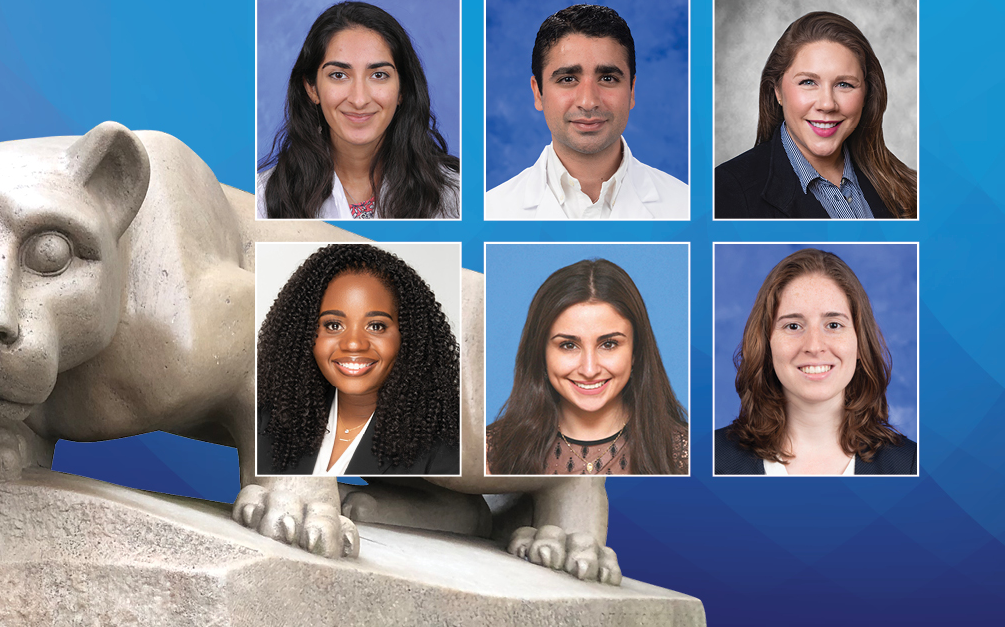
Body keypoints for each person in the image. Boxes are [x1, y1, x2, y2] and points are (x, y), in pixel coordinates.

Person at [256, 244, 461, 475]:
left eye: (376, 326)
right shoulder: (267, 421)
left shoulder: (447, 448)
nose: (353, 343)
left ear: (409, 335)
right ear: (304, 334)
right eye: (333, 325)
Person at [715, 249, 917, 475]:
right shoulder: (710, 459)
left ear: (860, 342)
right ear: (766, 343)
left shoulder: (910, 465)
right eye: (793, 326)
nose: (814, 346)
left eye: (833, 325)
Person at [257, 1, 460, 220]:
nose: (359, 99)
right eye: (338, 75)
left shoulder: (456, 194)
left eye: (379, 75)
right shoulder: (262, 199)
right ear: (312, 88)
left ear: (403, 90)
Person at [484, 4, 689, 220]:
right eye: (568, 79)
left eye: (608, 78)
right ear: (538, 93)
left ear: (631, 91)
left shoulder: (685, 206)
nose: (588, 102)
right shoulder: (491, 211)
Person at [487, 259, 688, 475]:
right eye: (568, 345)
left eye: (609, 344)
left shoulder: (689, 453)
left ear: (635, 352)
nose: (589, 370)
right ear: (540, 353)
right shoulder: (490, 453)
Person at [715, 11, 918, 219]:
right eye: (808, 82)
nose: (827, 104)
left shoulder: (910, 189)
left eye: (844, 84)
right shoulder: (724, 193)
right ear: (777, 90)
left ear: (867, 94)